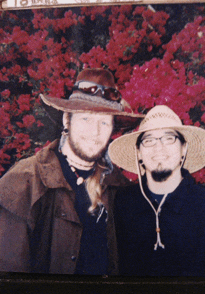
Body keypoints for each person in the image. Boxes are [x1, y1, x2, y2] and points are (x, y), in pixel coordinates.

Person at [0, 68, 144, 275]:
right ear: (67, 120)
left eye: (104, 123)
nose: (95, 132)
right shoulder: (24, 183)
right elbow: (9, 280)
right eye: (85, 119)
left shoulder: (117, 187)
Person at [109, 105, 205, 277]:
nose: (158, 148)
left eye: (169, 138)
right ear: (139, 153)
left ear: (184, 149)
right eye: (149, 140)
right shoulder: (121, 205)